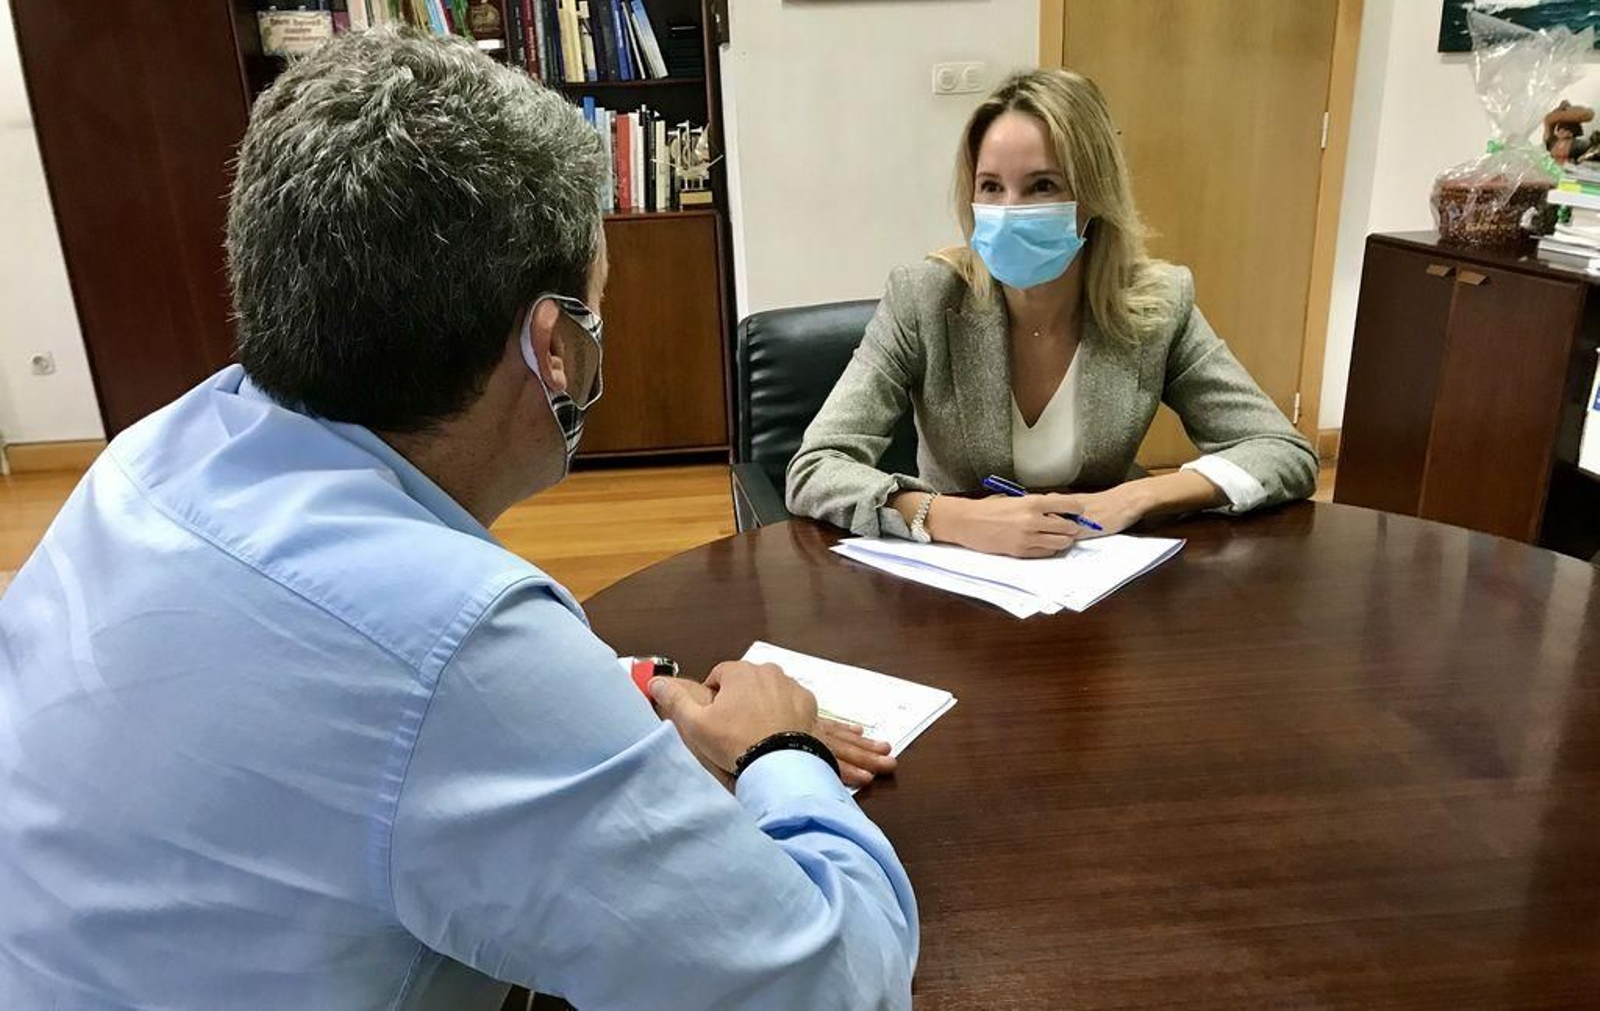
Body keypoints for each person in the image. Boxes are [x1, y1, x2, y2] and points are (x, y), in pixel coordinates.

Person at [0, 29, 915, 1010]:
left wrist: (620, 693)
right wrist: (784, 751)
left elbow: (328, 698)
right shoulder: (453, 641)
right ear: (554, 350)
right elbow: (835, 987)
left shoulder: (143, 459)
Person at [787, 69, 1317, 558]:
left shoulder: (1158, 305)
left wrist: (1140, 496)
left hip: (1098, 575)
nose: (1010, 210)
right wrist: (950, 517)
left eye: (1042, 186)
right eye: (991, 186)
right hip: (960, 581)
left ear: (1093, 197)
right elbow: (815, 469)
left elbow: (1281, 451)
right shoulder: (923, 298)